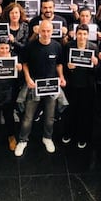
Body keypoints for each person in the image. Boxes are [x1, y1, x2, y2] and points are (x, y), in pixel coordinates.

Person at [14, 20, 67, 156]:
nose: (45, 33)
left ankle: (47, 138)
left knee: (50, 116)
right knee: (28, 116)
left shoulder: (57, 46)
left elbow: (59, 64)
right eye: (43, 30)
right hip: (34, 84)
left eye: (48, 31)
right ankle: (23, 140)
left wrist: (61, 77)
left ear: (52, 31)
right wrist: (27, 78)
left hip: (52, 85)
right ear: (38, 31)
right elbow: (24, 63)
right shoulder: (31, 46)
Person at [62, 24, 99, 148]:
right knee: (70, 111)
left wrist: (96, 64)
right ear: (76, 34)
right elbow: (63, 65)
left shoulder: (94, 47)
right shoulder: (68, 46)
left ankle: (82, 137)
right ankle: (68, 133)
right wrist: (69, 67)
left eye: (84, 34)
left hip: (87, 87)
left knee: (85, 113)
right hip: (72, 85)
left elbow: (98, 72)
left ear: (88, 35)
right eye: (79, 34)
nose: (82, 36)